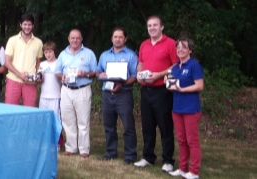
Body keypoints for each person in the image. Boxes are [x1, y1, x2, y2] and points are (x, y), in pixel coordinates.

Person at [135, 15, 179, 172]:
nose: (152, 28)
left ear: (162, 27)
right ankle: (148, 157)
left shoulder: (171, 44)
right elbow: (140, 63)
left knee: (165, 125)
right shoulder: (144, 44)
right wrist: (139, 75)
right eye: (149, 26)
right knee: (147, 125)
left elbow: (176, 66)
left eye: (155, 25)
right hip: (146, 90)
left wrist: (159, 74)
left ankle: (168, 159)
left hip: (163, 90)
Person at [96, 27, 137, 164]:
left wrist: (123, 84)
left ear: (125, 39)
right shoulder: (104, 55)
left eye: (120, 37)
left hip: (123, 94)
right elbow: (98, 71)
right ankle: (110, 152)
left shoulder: (131, 55)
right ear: (111, 38)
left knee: (128, 126)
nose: (118, 39)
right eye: (115, 37)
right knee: (109, 126)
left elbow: (135, 76)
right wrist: (100, 75)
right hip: (107, 94)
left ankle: (130, 155)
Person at [55, 29, 97, 158]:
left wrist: (85, 73)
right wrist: (62, 76)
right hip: (66, 89)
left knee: (83, 121)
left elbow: (95, 72)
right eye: (72, 38)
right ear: (68, 39)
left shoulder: (89, 53)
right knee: (68, 121)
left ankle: (84, 149)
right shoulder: (63, 54)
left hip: (82, 89)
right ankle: (71, 147)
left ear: (81, 39)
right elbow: (57, 71)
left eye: (77, 38)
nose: (75, 40)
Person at [168, 37, 203, 179]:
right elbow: (172, 84)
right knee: (181, 140)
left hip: (191, 108)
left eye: (184, 47)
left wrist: (183, 89)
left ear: (190, 50)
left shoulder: (194, 65)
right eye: (178, 47)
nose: (180, 50)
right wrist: (168, 83)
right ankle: (183, 168)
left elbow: (199, 86)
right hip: (177, 108)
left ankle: (194, 171)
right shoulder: (175, 67)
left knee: (192, 140)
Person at [4, 14, 43, 107]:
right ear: (20, 25)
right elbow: (7, 62)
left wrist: (39, 74)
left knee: (29, 110)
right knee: (10, 109)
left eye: (29, 25)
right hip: (13, 79)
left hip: (30, 81)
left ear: (33, 26)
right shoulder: (12, 40)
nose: (27, 27)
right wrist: (19, 74)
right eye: (25, 24)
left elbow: (38, 63)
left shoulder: (38, 42)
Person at [38, 41, 64, 151]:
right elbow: (39, 79)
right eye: (46, 52)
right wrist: (38, 78)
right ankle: (46, 143)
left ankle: (57, 143)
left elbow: (63, 80)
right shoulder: (42, 64)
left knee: (56, 120)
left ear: (54, 52)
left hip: (56, 96)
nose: (48, 54)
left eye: (50, 52)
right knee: (44, 121)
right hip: (44, 96)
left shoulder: (59, 63)